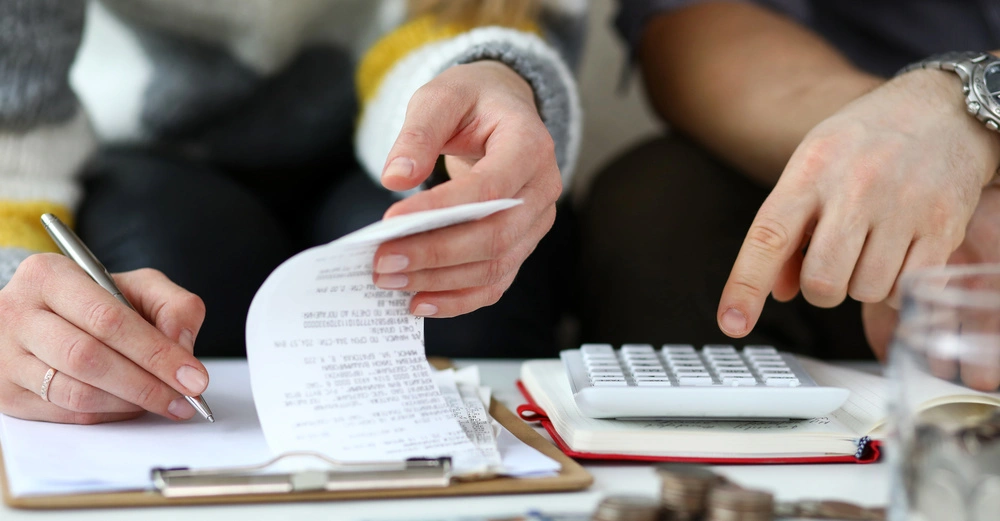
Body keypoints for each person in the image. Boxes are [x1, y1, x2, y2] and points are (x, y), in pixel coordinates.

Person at [0, 0, 585, 424]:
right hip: (151, 149)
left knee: (455, 287)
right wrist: (12, 293)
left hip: (400, 126)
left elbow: (468, 23)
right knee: (166, 267)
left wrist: (493, 81)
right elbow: (16, 120)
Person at [578, 1, 1000, 363]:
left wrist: (966, 142)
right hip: (819, 117)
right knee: (662, 201)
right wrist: (900, 153)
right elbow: (697, 27)